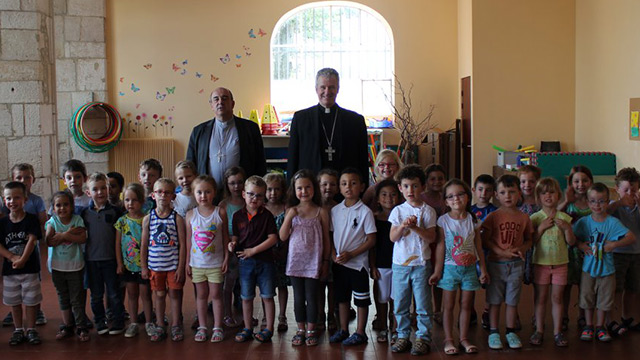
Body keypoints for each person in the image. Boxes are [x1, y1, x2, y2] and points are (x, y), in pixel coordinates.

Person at [430, 179, 488, 355]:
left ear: (467, 197)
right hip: (449, 269)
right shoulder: (443, 221)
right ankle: (449, 338)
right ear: (446, 201)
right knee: (448, 306)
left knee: (466, 304)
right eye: (451, 196)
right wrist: (437, 271)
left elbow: (478, 246)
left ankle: (463, 337)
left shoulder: (472, 219)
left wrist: (483, 269)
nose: (456, 198)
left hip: (469, 270)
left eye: (460, 194)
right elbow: (440, 246)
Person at [574, 183, 635, 342]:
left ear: (608, 202)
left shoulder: (612, 222)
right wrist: (581, 245)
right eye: (593, 201)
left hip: (607, 270)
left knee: (604, 299)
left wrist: (614, 244)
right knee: (587, 298)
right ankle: (589, 325)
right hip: (588, 269)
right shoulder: (584, 222)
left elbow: (630, 237)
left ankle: (600, 326)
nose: (597, 205)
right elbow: (573, 238)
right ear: (588, 202)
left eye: (601, 201)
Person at [388, 165, 437, 355]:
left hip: (421, 264)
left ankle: (423, 338)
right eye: (406, 186)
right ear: (400, 188)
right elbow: (393, 237)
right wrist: (402, 226)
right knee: (401, 302)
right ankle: (402, 335)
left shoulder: (428, 211)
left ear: (422, 187)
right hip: (400, 265)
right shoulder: (397, 211)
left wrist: (416, 228)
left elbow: (431, 237)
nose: (411, 191)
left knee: (423, 303)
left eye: (415, 186)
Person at [287, 68, 369, 181]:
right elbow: (293, 158)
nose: (327, 92)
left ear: (338, 89)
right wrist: (291, 190)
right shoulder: (301, 119)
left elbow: (363, 160)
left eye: (331, 87)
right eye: (323, 87)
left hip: (345, 189)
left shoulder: (355, 121)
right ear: (316, 89)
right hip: (311, 187)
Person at [481, 174, 533, 350]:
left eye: (512, 192)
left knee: (512, 300)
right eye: (503, 192)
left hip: (516, 265)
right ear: (496, 194)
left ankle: (511, 331)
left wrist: (522, 249)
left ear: (519, 193)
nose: (508, 196)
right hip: (496, 264)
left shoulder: (524, 217)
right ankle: (494, 331)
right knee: (494, 300)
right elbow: (485, 241)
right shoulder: (493, 217)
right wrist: (502, 251)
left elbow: (529, 239)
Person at [279, 170, 330, 346]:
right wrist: (290, 217)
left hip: (313, 261)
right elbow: (283, 236)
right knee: (299, 297)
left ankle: (311, 329)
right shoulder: (291, 210)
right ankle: (300, 328)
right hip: (295, 262)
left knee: (312, 295)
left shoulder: (320, 212)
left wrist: (325, 261)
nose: (304, 191)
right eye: (300, 188)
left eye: (308, 187)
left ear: (314, 189)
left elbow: (326, 238)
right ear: (294, 190)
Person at [186, 87, 266, 196]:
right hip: (208, 194)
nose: (220, 102)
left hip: (241, 193)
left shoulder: (250, 129)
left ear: (232, 104)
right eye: (216, 99)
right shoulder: (199, 131)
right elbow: (190, 164)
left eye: (224, 98)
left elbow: (260, 162)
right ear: (211, 105)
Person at [328, 168, 376, 346]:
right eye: (344, 183)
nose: (348, 187)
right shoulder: (335, 210)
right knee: (342, 298)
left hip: (358, 265)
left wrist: (352, 254)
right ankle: (343, 329)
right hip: (340, 264)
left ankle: (360, 332)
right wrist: (334, 254)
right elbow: (331, 235)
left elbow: (371, 240)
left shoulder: (365, 212)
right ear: (339, 188)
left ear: (362, 187)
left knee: (361, 299)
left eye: (353, 183)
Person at [228, 176, 278, 343]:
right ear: (243, 194)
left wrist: (253, 251)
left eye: (259, 195)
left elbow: (273, 239)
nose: (254, 198)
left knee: (267, 296)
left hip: (265, 261)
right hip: (245, 262)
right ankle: (248, 327)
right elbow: (235, 236)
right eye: (251, 194)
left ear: (264, 197)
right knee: (246, 296)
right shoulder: (237, 216)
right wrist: (232, 243)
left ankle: (269, 328)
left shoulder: (268, 216)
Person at [529, 178, 575, 347]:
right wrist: (540, 228)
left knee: (557, 298)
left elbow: (571, 242)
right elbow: (531, 242)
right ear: (538, 197)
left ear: (558, 195)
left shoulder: (565, 218)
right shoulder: (535, 218)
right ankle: (539, 330)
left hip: (561, 264)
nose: (548, 195)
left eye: (552, 192)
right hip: (541, 264)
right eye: (543, 192)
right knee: (540, 298)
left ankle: (557, 331)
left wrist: (567, 229)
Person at [2, 163, 48, 328]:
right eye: (19, 177)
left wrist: (36, 229)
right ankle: (15, 316)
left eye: (27, 177)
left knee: (33, 284)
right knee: (13, 286)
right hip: (12, 247)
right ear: (13, 179)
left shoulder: (36, 200)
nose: (23, 180)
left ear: (33, 179)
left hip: (30, 246)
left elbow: (42, 218)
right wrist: (11, 256)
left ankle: (37, 310)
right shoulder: (8, 202)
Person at [141, 178, 186, 342]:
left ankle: (176, 324)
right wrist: (144, 267)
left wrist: (181, 268)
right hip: (155, 267)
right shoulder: (148, 219)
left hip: (172, 266)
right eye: (159, 192)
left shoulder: (177, 219)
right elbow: (144, 244)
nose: (162, 195)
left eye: (167, 193)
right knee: (159, 295)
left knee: (175, 294)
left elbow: (182, 245)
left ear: (173, 196)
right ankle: (160, 324)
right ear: (153, 195)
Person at [185, 175, 229, 343]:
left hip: (216, 263)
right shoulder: (190, 215)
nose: (203, 196)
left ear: (214, 193)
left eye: (207, 192)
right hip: (197, 264)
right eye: (199, 192)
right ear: (194, 194)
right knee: (201, 295)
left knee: (217, 294)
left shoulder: (220, 212)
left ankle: (218, 326)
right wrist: (187, 263)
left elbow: (225, 237)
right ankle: (202, 326)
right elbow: (189, 241)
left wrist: (226, 258)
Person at [82, 172, 126, 336]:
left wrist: (120, 260)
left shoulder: (116, 212)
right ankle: (100, 322)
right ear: (88, 193)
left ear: (108, 189)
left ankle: (118, 321)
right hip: (92, 260)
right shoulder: (84, 214)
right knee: (96, 295)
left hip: (111, 260)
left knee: (114, 294)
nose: (100, 192)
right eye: (95, 189)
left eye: (103, 188)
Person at [46, 190, 90, 342]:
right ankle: (67, 325)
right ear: (53, 207)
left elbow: (82, 238)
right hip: (57, 267)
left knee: (77, 298)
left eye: (66, 204)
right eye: (58, 205)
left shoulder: (77, 220)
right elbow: (50, 240)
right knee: (63, 297)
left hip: (75, 266)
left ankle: (81, 326)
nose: (62, 208)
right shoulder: (52, 222)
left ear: (72, 206)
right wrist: (71, 234)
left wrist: (63, 235)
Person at [115, 183, 153, 338]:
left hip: (144, 266)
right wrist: (119, 263)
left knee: (146, 295)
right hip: (128, 265)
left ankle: (150, 322)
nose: (130, 204)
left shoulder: (147, 219)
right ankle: (133, 323)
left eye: (134, 200)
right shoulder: (122, 221)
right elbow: (117, 243)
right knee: (131, 294)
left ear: (142, 201)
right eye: (127, 200)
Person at [559, 165, 593, 330]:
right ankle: (564, 316)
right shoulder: (569, 204)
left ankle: (582, 316)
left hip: (588, 251)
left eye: (585, 180)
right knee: (566, 285)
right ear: (571, 184)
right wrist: (566, 201)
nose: (581, 184)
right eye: (576, 181)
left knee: (585, 285)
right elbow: (555, 215)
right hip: (570, 250)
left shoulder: (594, 201)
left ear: (591, 182)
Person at [606, 167, 640, 335]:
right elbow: (605, 213)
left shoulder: (638, 207)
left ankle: (628, 317)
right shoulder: (614, 205)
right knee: (616, 288)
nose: (629, 193)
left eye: (633, 190)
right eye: (625, 189)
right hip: (618, 254)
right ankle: (614, 319)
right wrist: (619, 202)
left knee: (633, 288)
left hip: (636, 253)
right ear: (617, 190)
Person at [369, 179, 400, 344]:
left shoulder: (402, 218)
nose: (389, 198)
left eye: (393, 194)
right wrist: (372, 266)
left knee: (396, 299)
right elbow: (372, 246)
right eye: (384, 195)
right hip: (381, 265)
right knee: (382, 299)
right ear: (378, 199)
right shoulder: (374, 218)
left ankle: (394, 328)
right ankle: (382, 326)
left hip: (399, 266)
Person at [218, 166, 246, 328]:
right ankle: (227, 314)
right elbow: (220, 230)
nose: (236, 186)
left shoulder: (249, 201)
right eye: (232, 183)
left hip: (247, 249)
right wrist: (230, 242)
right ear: (227, 185)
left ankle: (245, 315)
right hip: (229, 250)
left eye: (240, 182)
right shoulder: (223, 205)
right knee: (228, 285)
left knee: (245, 285)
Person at [264, 172, 289, 332]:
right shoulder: (261, 208)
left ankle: (282, 316)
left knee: (282, 285)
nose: (273, 193)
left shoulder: (287, 208)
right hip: (266, 254)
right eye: (269, 189)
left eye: (277, 189)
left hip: (284, 253)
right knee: (266, 287)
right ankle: (267, 316)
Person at [317, 168, 339, 331]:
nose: (328, 187)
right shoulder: (313, 207)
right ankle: (319, 314)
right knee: (318, 286)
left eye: (332, 184)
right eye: (324, 184)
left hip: (335, 253)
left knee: (332, 285)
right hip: (316, 254)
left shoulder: (339, 208)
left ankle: (331, 314)